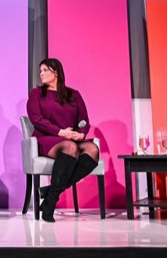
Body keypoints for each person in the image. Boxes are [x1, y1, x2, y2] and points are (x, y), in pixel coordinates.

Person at [26, 58, 99, 222]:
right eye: (40, 71)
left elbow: (83, 120)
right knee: (71, 148)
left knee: (93, 150)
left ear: (56, 72)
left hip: (70, 138)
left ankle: (50, 192)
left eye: (45, 70)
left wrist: (81, 133)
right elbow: (36, 119)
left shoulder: (74, 94)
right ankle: (50, 205)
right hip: (47, 138)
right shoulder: (37, 94)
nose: (41, 74)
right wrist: (60, 132)